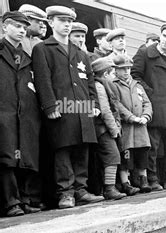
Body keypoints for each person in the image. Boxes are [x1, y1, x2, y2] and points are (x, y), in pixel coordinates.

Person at [32, 5, 104, 209]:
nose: (66, 25)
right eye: (62, 21)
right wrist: (49, 105)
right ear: (51, 22)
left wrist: (94, 105)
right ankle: (66, 193)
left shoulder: (79, 52)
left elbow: (90, 81)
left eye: (69, 21)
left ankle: (81, 190)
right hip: (61, 107)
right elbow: (43, 80)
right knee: (63, 150)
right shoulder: (43, 49)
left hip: (82, 108)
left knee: (82, 149)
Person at [131, 22, 166, 189]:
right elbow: (135, 76)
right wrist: (151, 94)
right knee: (153, 145)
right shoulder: (144, 53)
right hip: (153, 106)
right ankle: (153, 178)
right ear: (160, 35)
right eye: (164, 36)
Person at [0, 11, 43, 216]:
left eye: (24, 28)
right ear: (4, 27)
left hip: (26, 114)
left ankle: (25, 199)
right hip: (4, 112)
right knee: (7, 156)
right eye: (17, 26)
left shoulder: (26, 57)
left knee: (25, 155)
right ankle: (11, 202)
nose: (21, 31)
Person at [112, 55, 154, 193]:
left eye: (128, 69)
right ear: (116, 70)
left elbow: (147, 102)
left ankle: (143, 180)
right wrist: (131, 117)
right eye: (122, 69)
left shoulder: (137, 85)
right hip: (127, 129)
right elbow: (117, 104)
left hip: (141, 129)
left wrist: (145, 116)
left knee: (142, 154)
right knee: (126, 156)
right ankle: (126, 183)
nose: (126, 72)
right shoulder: (114, 85)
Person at [91, 57, 128, 200]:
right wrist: (114, 130)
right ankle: (109, 189)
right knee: (113, 156)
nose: (113, 76)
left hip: (103, 128)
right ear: (105, 74)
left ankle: (108, 188)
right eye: (111, 72)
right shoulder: (100, 87)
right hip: (102, 129)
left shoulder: (102, 85)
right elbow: (105, 111)